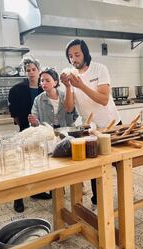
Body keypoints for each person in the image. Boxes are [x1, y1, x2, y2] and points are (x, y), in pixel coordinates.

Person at [60, 39, 121, 209]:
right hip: (92, 129)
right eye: (70, 56)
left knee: (120, 163)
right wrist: (68, 87)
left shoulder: (99, 69)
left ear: (85, 53)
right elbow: (69, 107)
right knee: (96, 166)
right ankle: (97, 202)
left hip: (111, 125)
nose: (74, 59)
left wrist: (81, 85)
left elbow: (103, 99)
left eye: (77, 54)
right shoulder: (70, 74)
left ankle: (125, 192)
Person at [8, 57, 51, 213]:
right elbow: (14, 112)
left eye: (34, 69)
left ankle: (37, 191)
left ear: (38, 70)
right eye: (28, 70)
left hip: (42, 132)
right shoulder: (17, 90)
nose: (31, 73)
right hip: (26, 132)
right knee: (22, 164)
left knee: (38, 163)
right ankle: (17, 198)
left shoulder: (44, 88)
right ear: (24, 72)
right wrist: (23, 127)